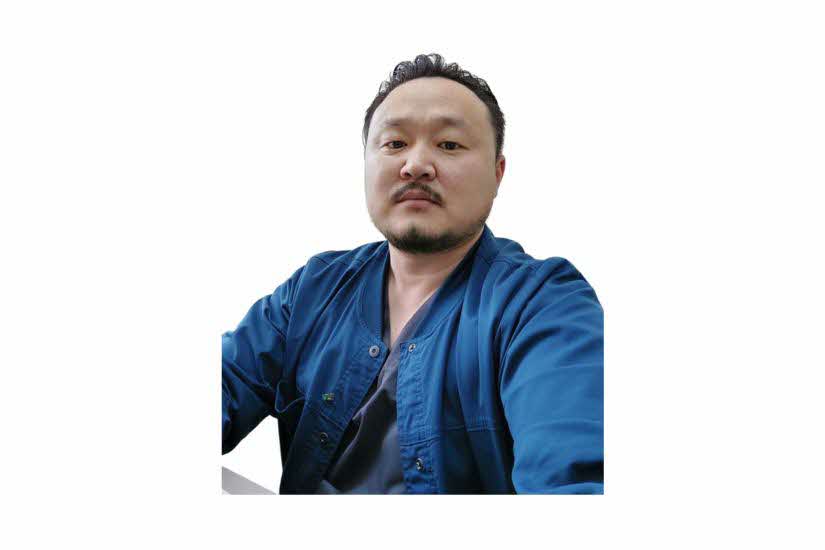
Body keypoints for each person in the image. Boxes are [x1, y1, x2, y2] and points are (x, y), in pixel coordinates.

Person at [221, 53, 604, 494]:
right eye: (395, 143)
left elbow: (573, 481)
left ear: (498, 173)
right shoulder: (313, 290)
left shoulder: (544, 306)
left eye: (450, 145)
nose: (416, 164)